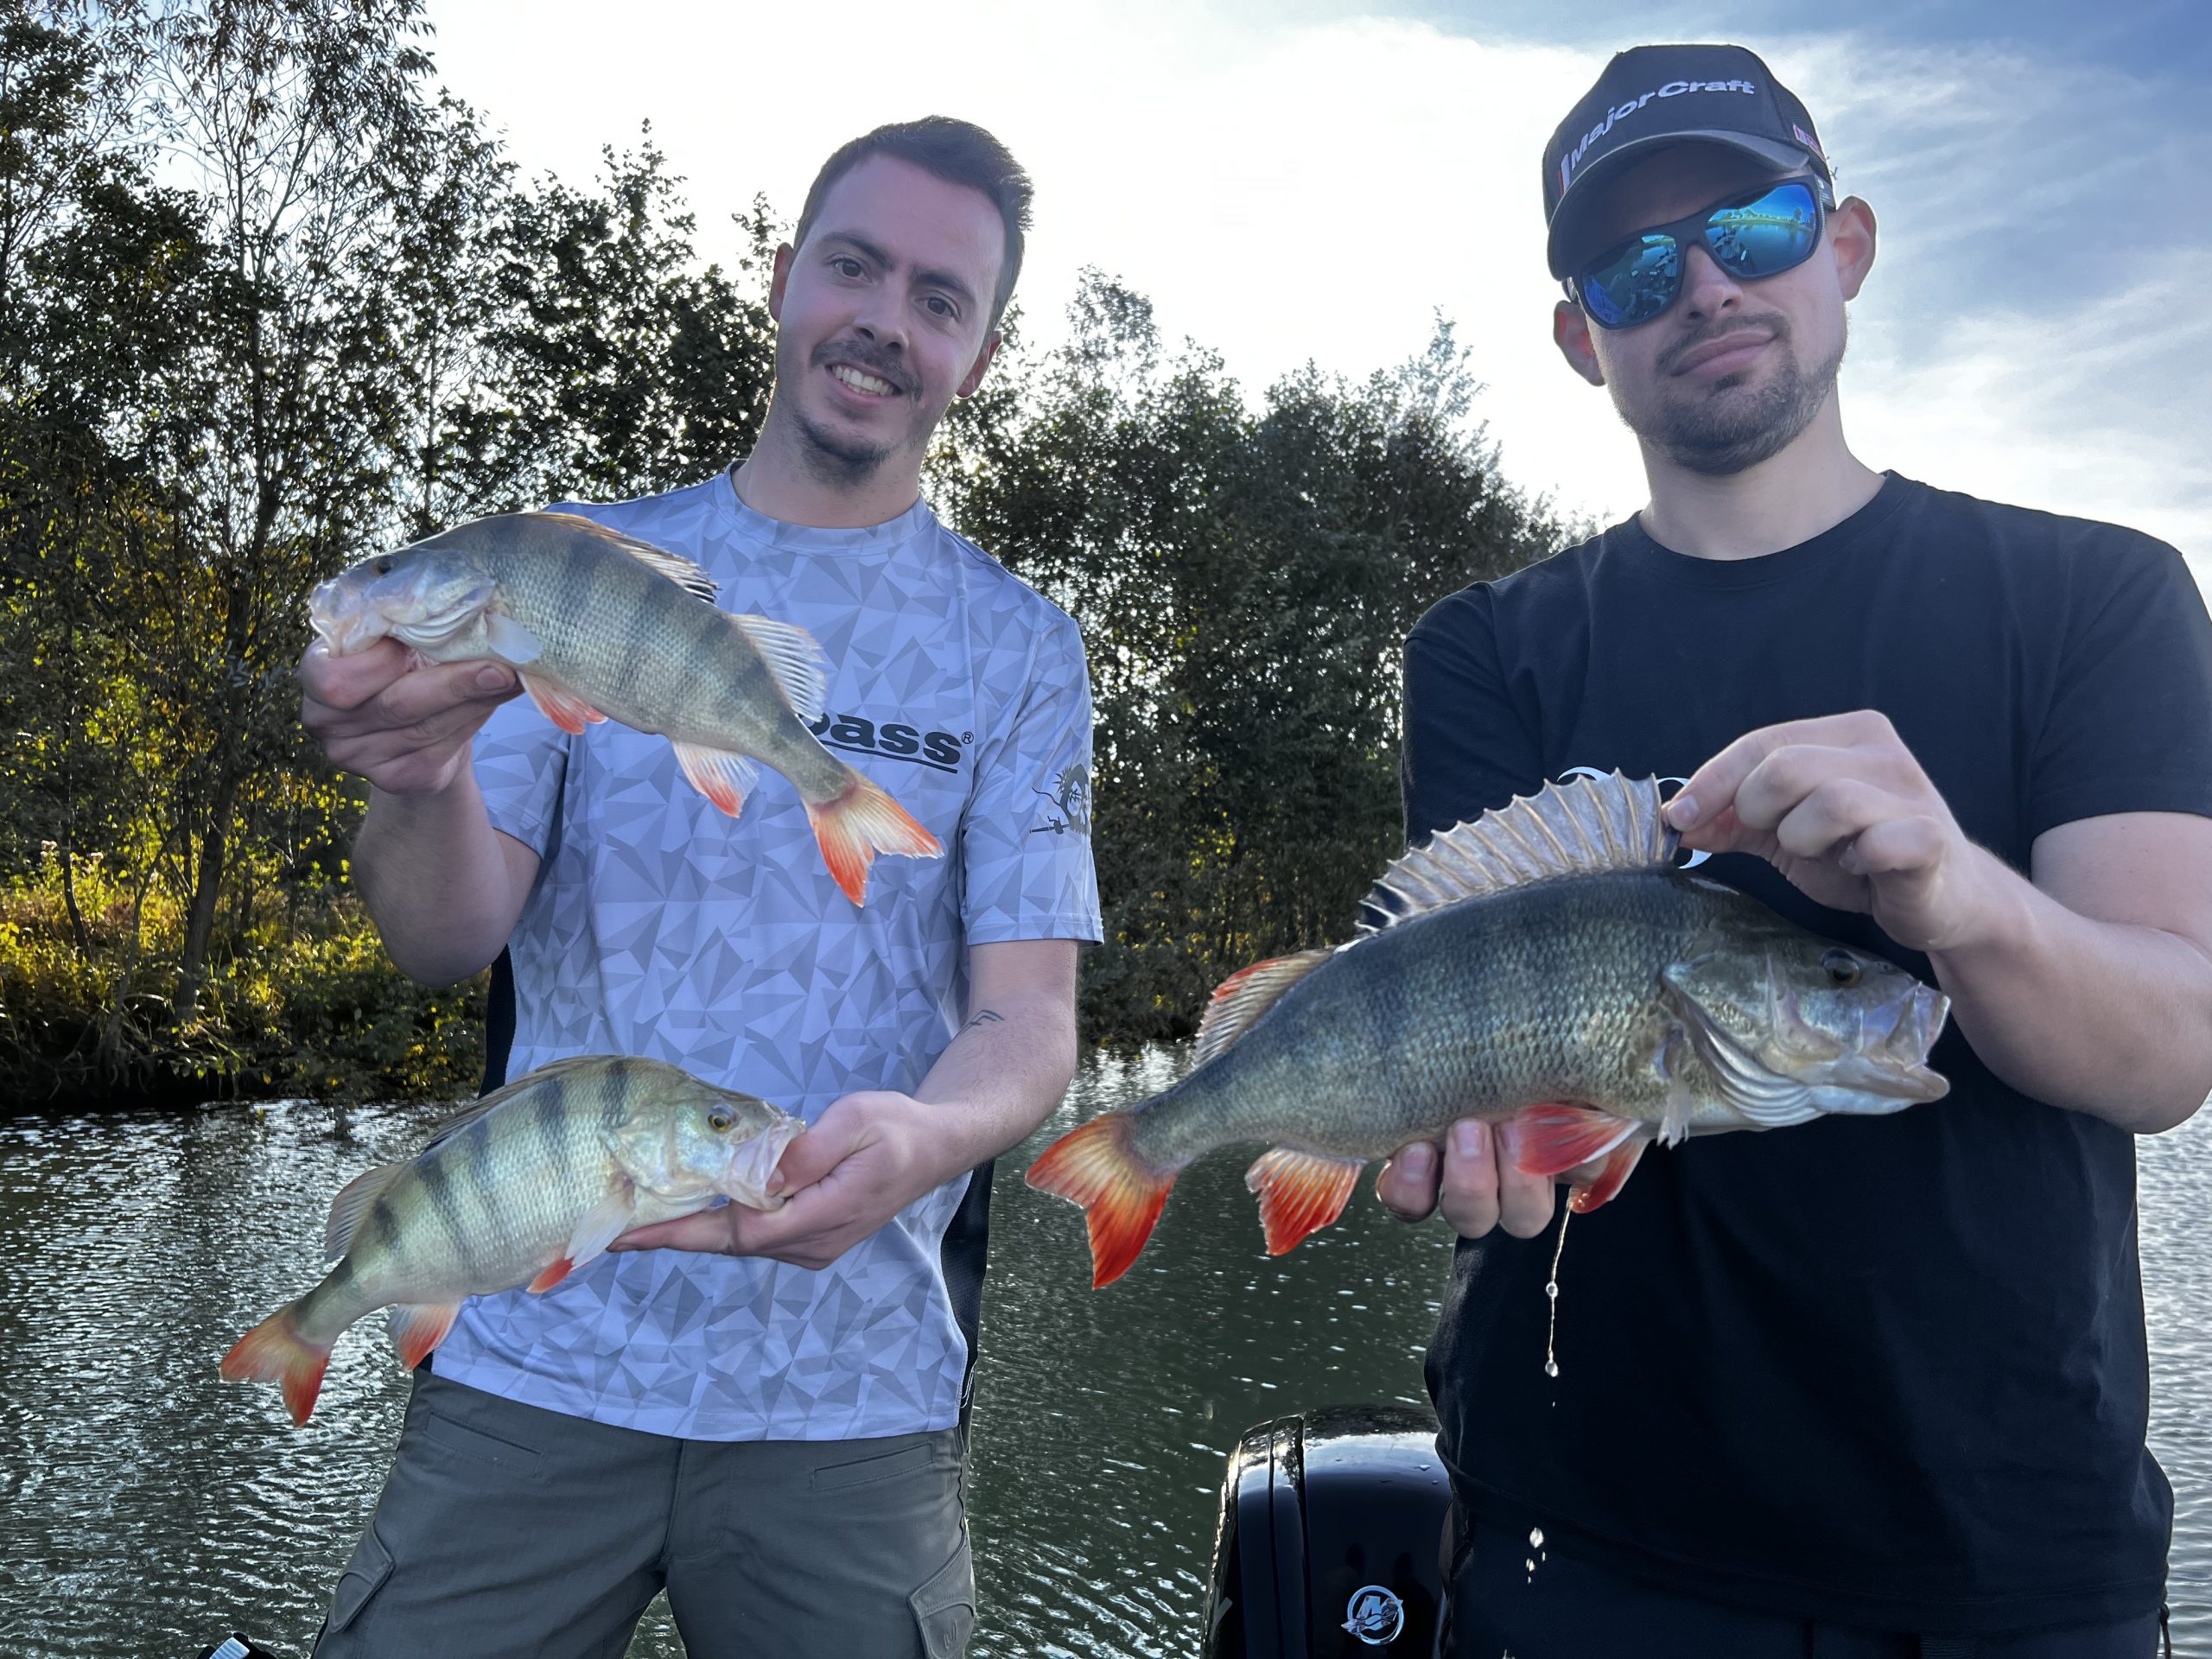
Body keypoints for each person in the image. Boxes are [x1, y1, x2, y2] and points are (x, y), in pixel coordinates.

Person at [1375, 42, 2212, 1658]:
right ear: (1581, 339)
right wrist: (1461, 1145)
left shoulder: (2099, 600)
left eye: (1749, 227)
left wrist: (1961, 897)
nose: (1699, 282)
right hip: (1583, 1546)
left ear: (1845, 244)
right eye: (1632, 264)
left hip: (2002, 1560)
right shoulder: (1485, 650)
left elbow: (2171, 1054)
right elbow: (1487, 1035)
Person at [295, 116, 1099, 1658]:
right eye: (854, 265)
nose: (885, 318)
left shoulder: (1024, 649)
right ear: (785, 282)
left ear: (978, 358)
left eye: (943, 298)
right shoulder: (564, 565)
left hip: (851, 1385)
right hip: (534, 1340)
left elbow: (1030, 1022)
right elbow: (441, 938)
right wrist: (421, 777)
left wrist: (933, 1133)